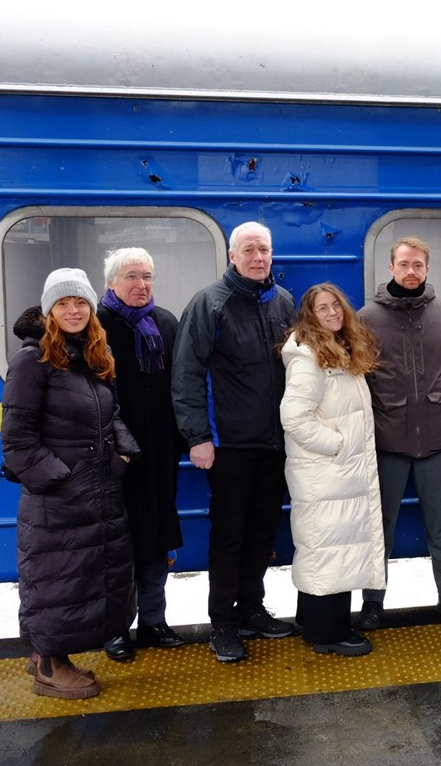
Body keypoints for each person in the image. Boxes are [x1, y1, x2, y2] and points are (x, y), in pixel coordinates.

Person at [1, 268, 139, 699]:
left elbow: (110, 414)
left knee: (79, 581)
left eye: (80, 302)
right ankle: (49, 665)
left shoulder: (91, 354)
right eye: (63, 303)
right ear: (49, 311)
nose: (73, 310)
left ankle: (48, 653)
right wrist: (61, 480)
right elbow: (17, 439)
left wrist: (122, 455)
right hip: (58, 501)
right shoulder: (32, 360)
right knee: (56, 581)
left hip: (96, 491)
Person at [172, 221, 297, 663]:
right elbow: (186, 373)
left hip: (274, 443)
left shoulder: (282, 301)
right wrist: (197, 437)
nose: (258, 257)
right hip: (227, 444)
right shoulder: (210, 303)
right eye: (248, 250)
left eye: (264, 249)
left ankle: (252, 609)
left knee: (263, 532)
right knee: (229, 535)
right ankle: (222, 623)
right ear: (231, 255)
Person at [358, 237, 441, 629]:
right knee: (382, 524)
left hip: (438, 436)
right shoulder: (367, 318)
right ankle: (373, 602)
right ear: (390, 268)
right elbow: (361, 376)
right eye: (405, 264)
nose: (412, 272)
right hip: (388, 438)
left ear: (427, 269)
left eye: (419, 265)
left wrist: (435, 400)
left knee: (439, 522)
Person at [280, 283, 386, 656]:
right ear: (310, 316)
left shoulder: (336, 350)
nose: (331, 313)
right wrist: (338, 445)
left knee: (326, 547)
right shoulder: (309, 356)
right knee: (330, 549)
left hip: (333, 475)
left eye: (336, 306)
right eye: (322, 308)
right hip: (326, 471)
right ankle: (329, 633)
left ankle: (313, 622)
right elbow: (293, 418)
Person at [97, 248, 186, 662]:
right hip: (114, 460)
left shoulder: (164, 323)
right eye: (132, 276)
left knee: (156, 541)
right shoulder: (97, 326)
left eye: (148, 276)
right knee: (118, 546)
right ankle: (116, 629)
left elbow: (182, 386)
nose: (142, 284)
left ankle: (153, 621)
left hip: (159, 454)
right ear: (112, 282)